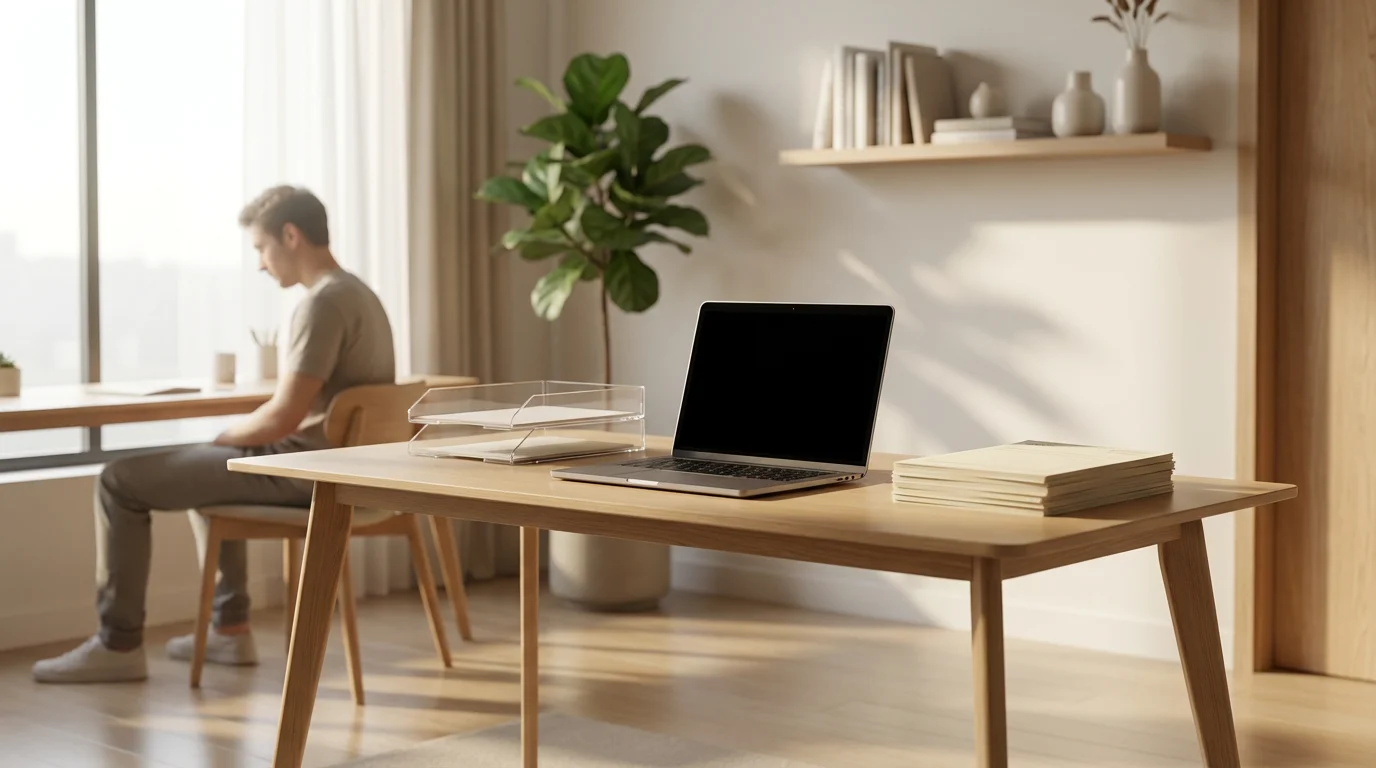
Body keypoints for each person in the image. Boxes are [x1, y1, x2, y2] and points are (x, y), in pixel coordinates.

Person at [34, 186, 396, 683]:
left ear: (290, 236)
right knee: (209, 471)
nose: (261, 265)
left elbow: (280, 420)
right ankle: (230, 629)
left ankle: (117, 645)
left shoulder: (322, 304)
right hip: (348, 470)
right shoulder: (361, 295)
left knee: (119, 480)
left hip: (306, 471)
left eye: (260, 249)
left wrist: (223, 437)